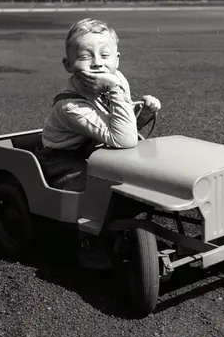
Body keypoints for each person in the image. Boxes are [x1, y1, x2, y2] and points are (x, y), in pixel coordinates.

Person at [36, 17, 161, 269]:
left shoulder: (116, 78)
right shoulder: (70, 105)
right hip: (63, 160)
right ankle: (87, 239)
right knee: (95, 190)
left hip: (95, 148)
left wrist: (144, 113)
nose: (97, 63)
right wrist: (115, 87)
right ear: (68, 64)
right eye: (85, 56)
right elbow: (123, 138)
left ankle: (119, 222)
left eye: (105, 55)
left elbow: (123, 127)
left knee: (130, 175)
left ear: (117, 59)